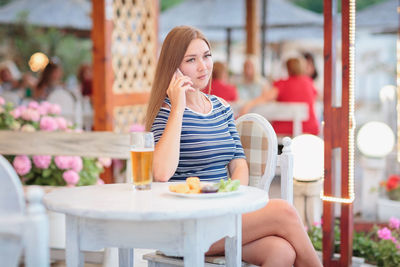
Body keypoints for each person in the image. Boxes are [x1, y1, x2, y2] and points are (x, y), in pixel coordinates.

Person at [145, 26, 322, 267]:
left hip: (223, 215)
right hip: (185, 225)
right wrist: (178, 106)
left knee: (281, 252)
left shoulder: (221, 107)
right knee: (285, 211)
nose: (203, 66)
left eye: (206, 56)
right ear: (174, 67)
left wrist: (231, 196)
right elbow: (161, 173)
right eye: (191, 60)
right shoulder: (165, 113)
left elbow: (238, 161)